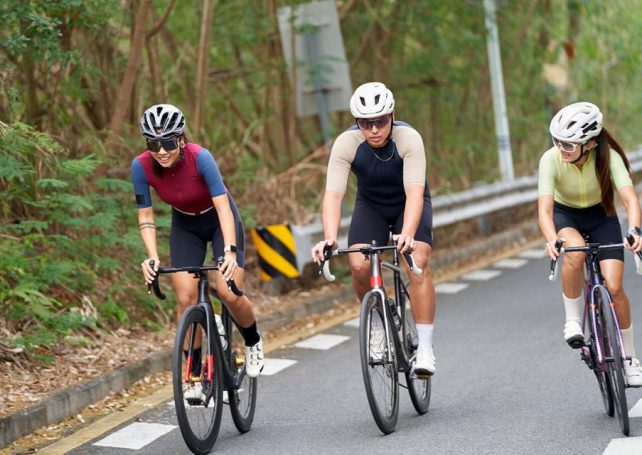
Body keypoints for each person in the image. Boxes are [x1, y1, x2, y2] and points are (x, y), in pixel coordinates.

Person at [131, 104, 264, 395]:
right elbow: (146, 216)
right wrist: (152, 257)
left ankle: (253, 341)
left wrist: (229, 252)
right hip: (185, 225)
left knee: (228, 291)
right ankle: (191, 378)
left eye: (168, 142)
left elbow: (223, 208)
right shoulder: (140, 166)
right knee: (185, 299)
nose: (161, 150)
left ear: (181, 139)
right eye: (154, 143)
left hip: (219, 220)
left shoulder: (201, 158)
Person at [311, 82, 437, 376]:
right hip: (371, 206)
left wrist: (407, 233)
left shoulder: (408, 138)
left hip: (409, 201)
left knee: (416, 261)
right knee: (358, 264)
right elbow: (333, 195)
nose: (374, 130)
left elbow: (415, 192)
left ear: (392, 116)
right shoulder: (346, 144)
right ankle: (378, 324)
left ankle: (426, 348)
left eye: (381, 121)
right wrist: (329, 237)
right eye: (366, 124)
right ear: (357, 123)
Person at [539, 101, 642, 386]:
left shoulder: (609, 159)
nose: (562, 149)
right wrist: (551, 239)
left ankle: (631, 358)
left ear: (590, 144)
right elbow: (545, 209)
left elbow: (631, 199)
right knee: (573, 254)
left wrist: (635, 230)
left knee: (616, 287)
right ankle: (573, 320)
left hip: (602, 217)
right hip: (565, 215)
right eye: (558, 142)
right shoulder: (550, 159)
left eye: (569, 145)